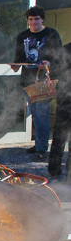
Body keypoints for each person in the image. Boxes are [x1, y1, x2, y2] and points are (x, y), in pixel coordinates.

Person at [12, 6, 62, 160]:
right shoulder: (22, 36)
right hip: (27, 81)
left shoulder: (51, 34)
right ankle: (38, 144)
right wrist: (15, 65)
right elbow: (19, 56)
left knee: (42, 115)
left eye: (36, 19)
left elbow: (61, 55)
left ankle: (42, 148)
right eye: (30, 20)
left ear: (42, 19)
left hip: (44, 82)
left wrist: (49, 62)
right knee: (35, 114)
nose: (33, 22)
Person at [48, 41, 71, 180]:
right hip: (66, 96)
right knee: (59, 136)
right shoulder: (66, 49)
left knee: (59, 136)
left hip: (64, 96)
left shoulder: (65, 48)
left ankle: (53, 172)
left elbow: (54, 72)